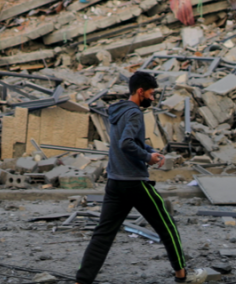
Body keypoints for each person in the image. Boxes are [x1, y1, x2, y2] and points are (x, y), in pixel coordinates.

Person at [75, 71, 204, 284]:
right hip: (134, 182)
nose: (152, 98)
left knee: (103, 234)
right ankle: (182, 276)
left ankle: (82, 280)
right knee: (167, 227)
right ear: (140, 91)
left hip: (114, 182)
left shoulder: (117, 110)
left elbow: (130, 139)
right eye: (151, 94)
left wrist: (149, 150)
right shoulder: (134, 113)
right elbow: (126, 143)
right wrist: (147, 158)